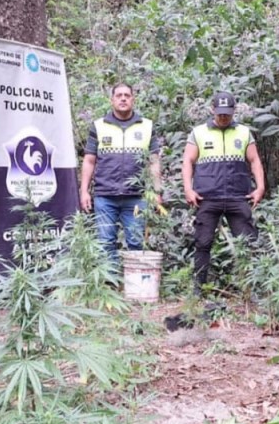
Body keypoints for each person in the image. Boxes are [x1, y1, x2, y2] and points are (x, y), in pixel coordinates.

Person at [182, 91, 265, 291]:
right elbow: (188, 161)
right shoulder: (199, 132)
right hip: (207, 197)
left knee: (248, 243)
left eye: (227, 113)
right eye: (220, 113)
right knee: (203, 243)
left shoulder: (244, 133)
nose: (223, 116)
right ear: (212, 110)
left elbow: (254, 160)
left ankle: (252, 289)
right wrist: (188, 189)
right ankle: (198, 289)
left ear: (234, 111)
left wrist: (260, 187)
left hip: (238, 196)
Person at [79, 82, 163, 267]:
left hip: (137, 196)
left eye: (127, 95)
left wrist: (157, 192)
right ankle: (111, 284)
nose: (123, 98)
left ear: (133, 99)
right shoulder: (98, 126)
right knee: (105, 242)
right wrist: (84, 190)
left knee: (135, 242)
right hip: (105, 195)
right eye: (119, 95)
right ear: (112, 100)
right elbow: (89, 160)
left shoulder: (146, 126)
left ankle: (134, 285)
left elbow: (154, 161)